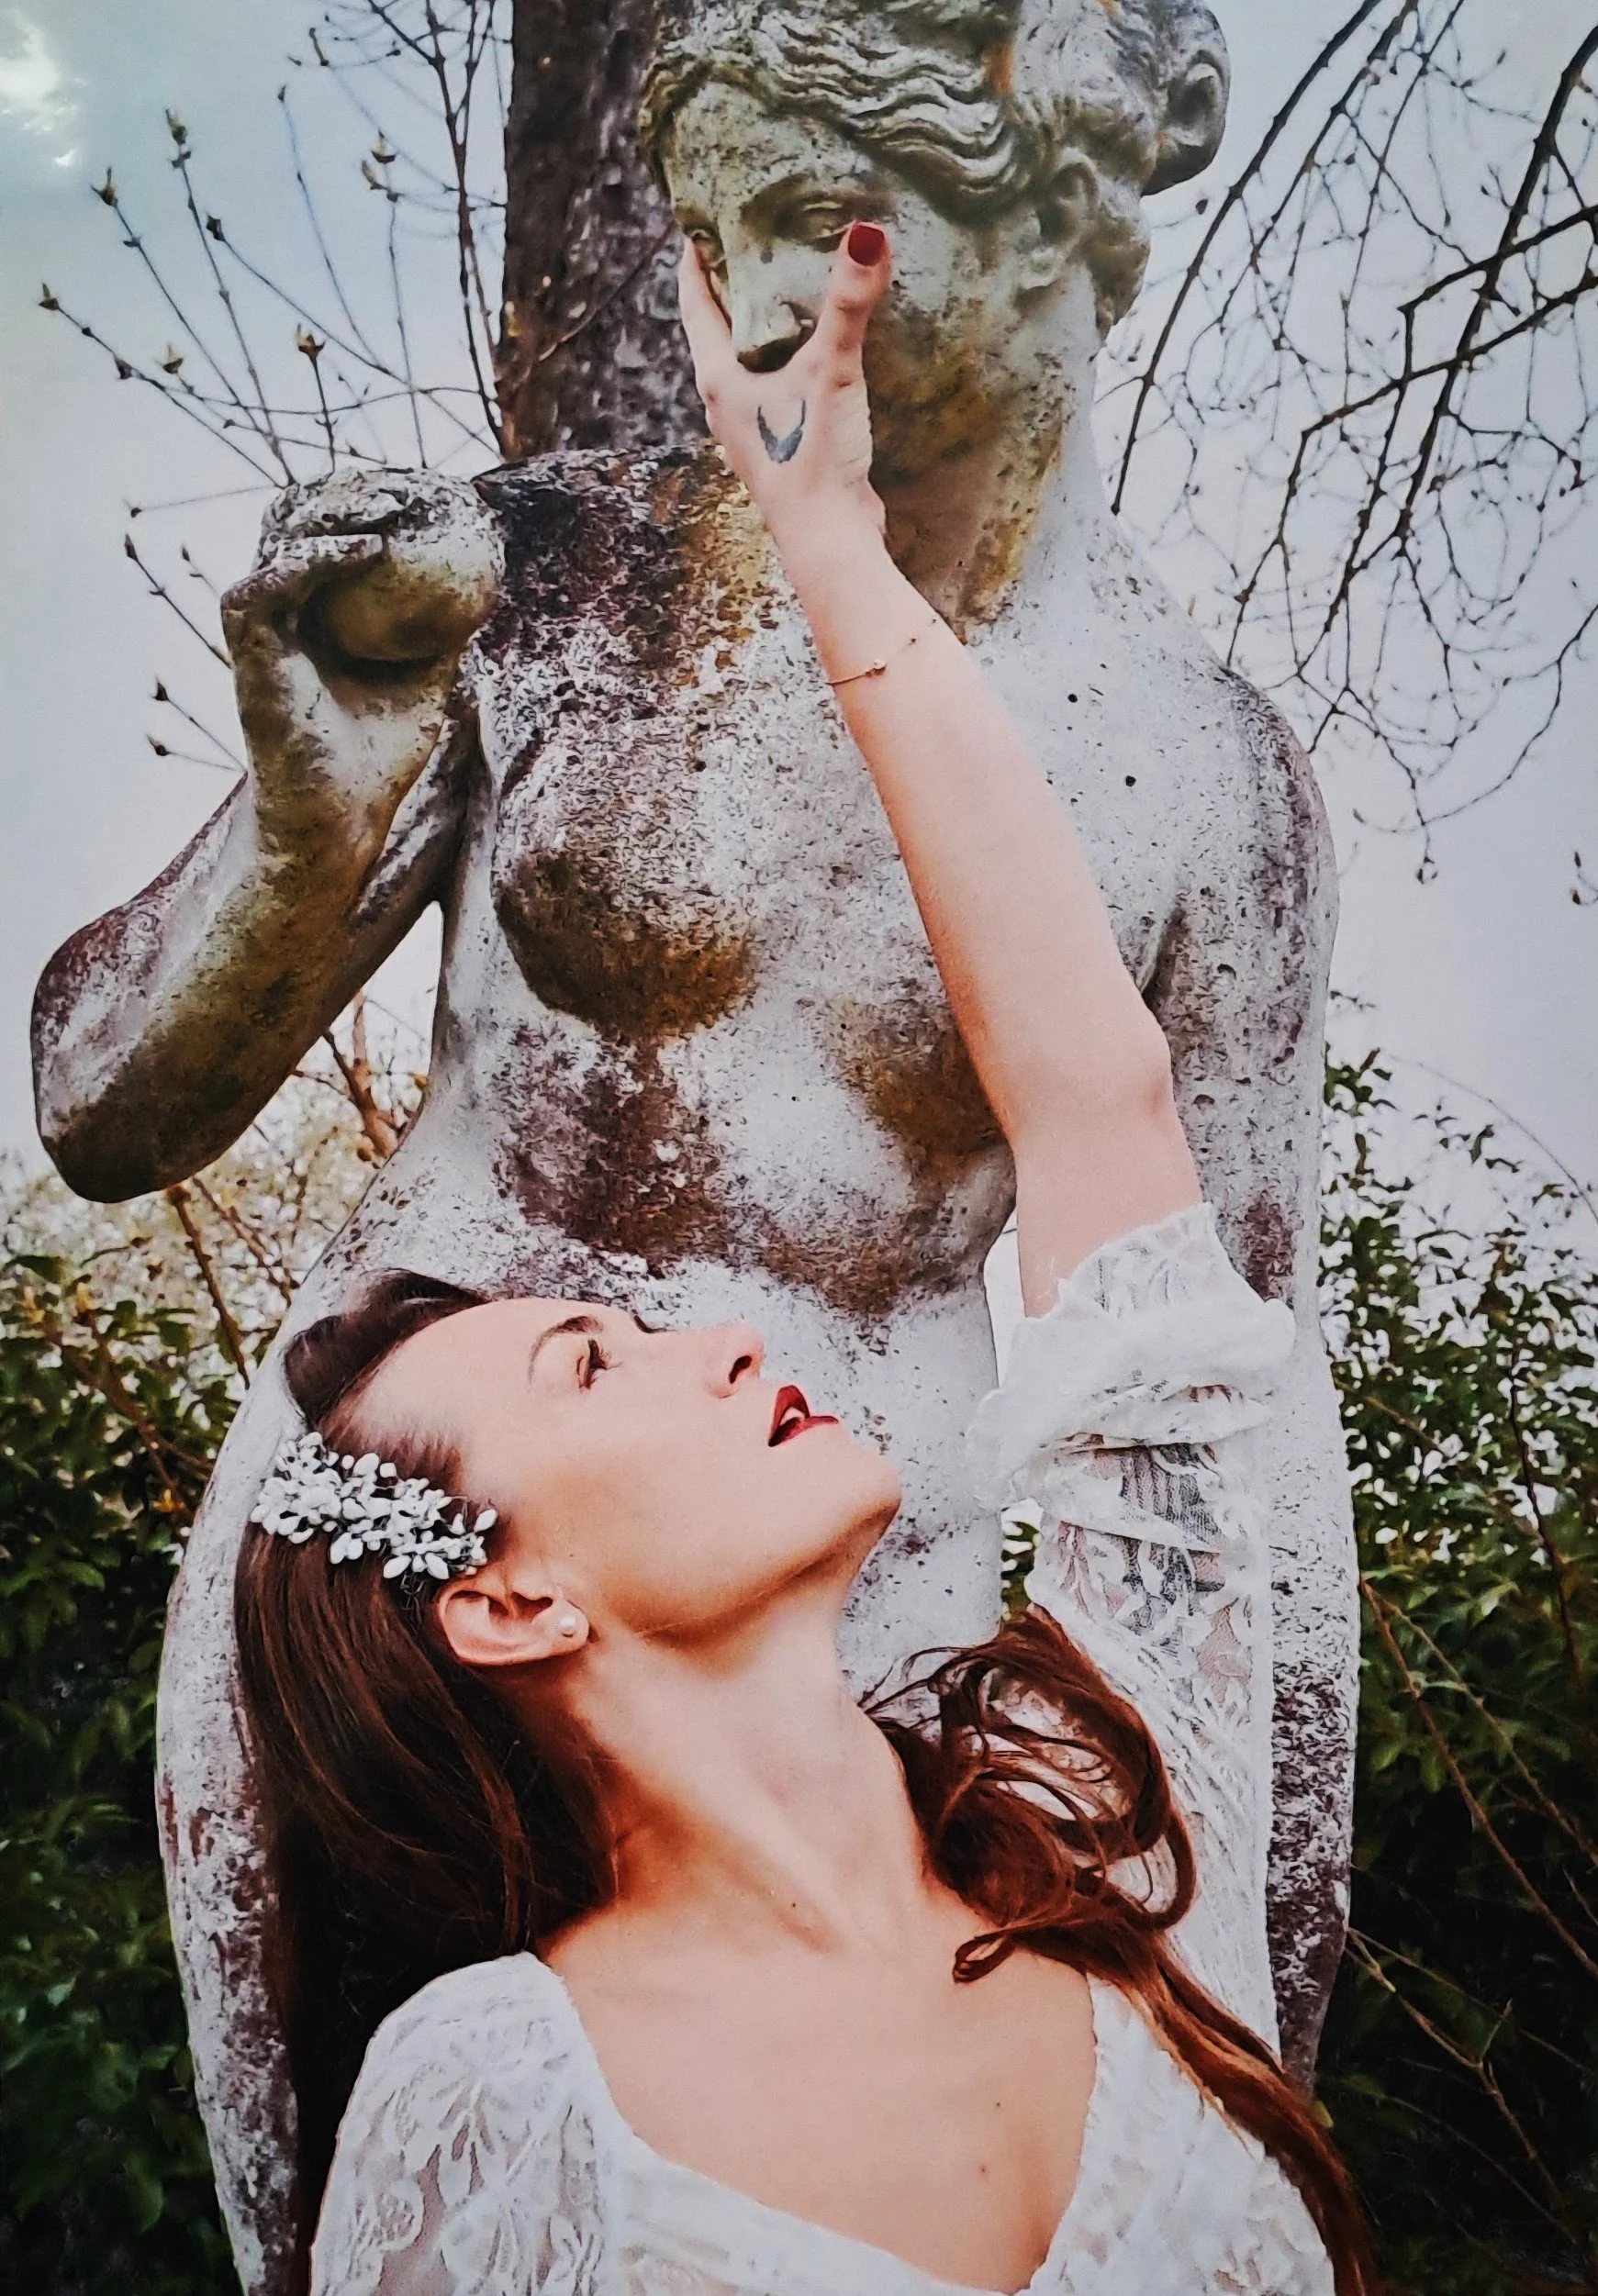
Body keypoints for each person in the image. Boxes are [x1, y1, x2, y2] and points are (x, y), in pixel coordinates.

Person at [234, 225, 1370, 2296]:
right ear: (507, 1597)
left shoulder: (1116, 1833)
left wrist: (830, 545)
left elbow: (1103, 1106)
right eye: (586, 1361)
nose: (682, 1337)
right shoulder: (493, 2101)